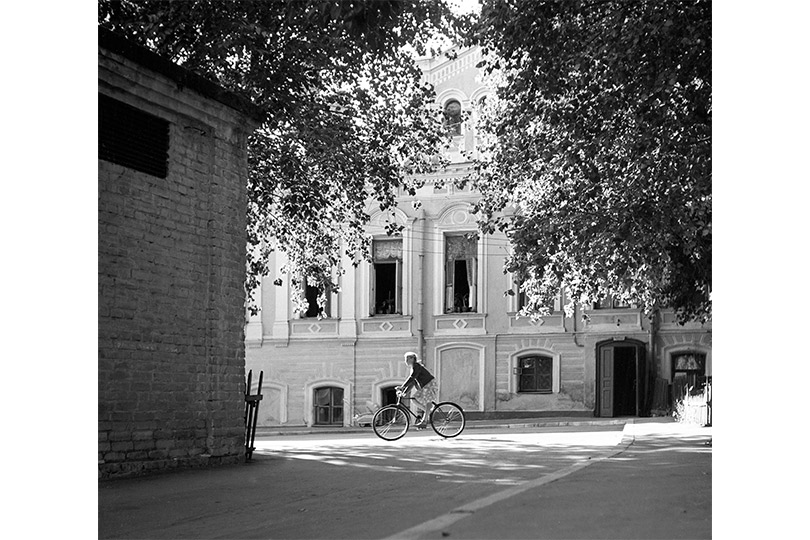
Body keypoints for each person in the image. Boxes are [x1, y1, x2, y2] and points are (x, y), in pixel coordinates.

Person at [396, 351, 438, 428]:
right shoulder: (413, 368)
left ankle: (424, 421)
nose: (405, 361)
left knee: (428, 401)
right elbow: (413, 383)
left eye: (407, 359)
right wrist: (404, 392)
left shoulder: (416, 366)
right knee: (414, 399)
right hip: (425, 386)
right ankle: (428, 412)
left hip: (429, 384)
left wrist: (402, 386)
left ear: (412, 359)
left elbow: (412, 378)